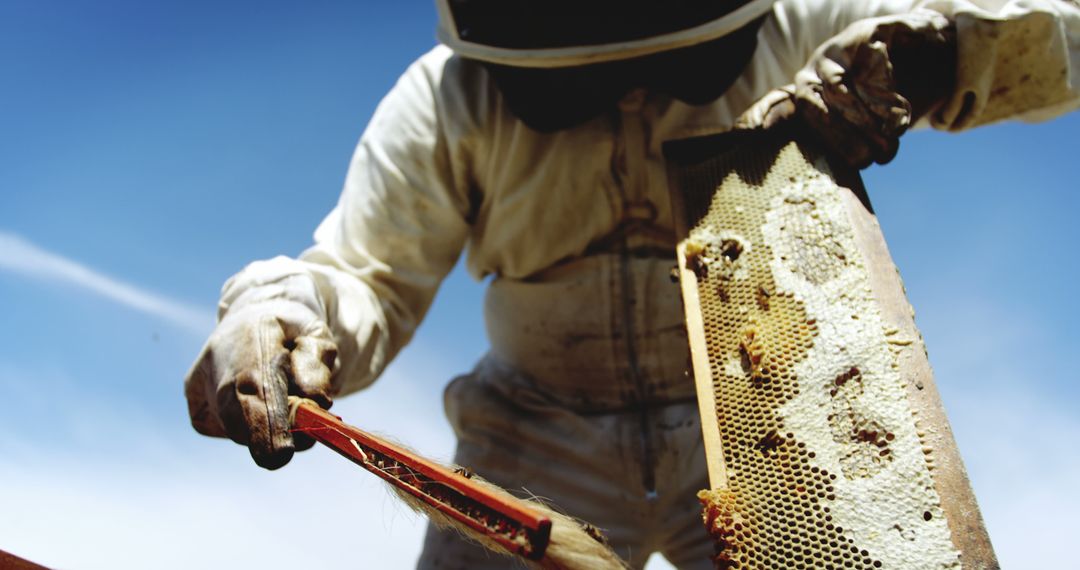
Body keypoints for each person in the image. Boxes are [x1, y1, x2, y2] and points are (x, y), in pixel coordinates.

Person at [184, 0, 1080, 567]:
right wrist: (283, 312)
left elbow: (1063, 36)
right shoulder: (448, 101)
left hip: (759, 409)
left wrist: (950, 51)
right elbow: (367, 279)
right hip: (534, 431)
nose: (628, 94)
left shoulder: (804, 22)